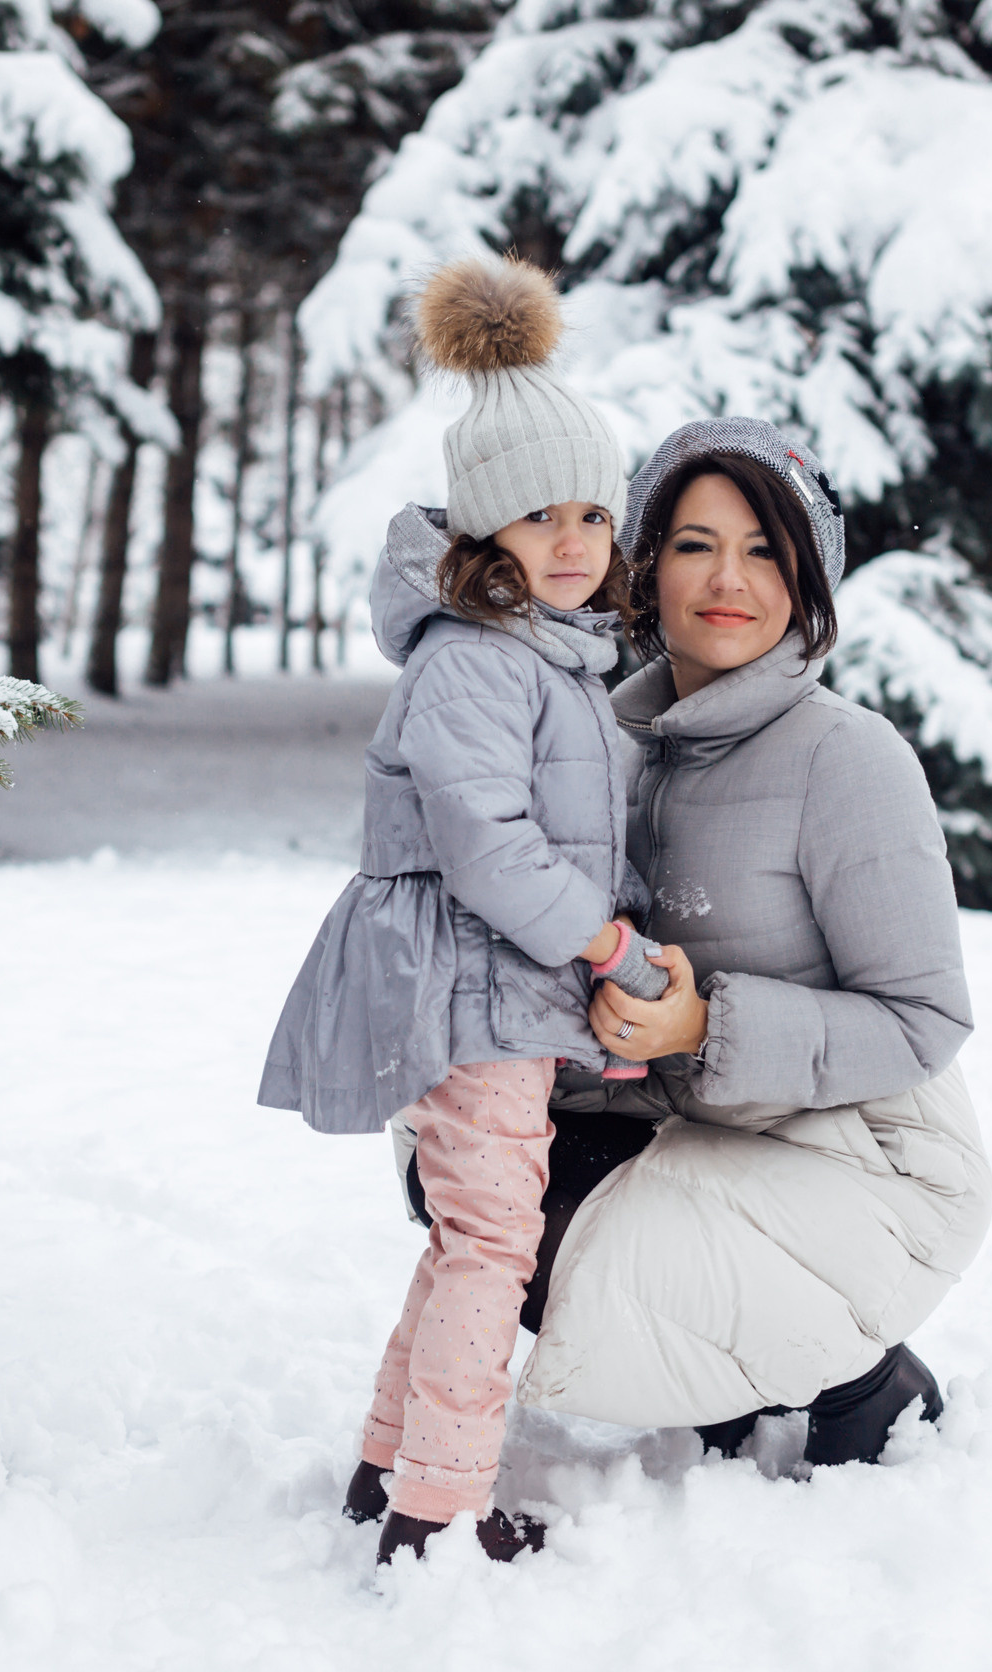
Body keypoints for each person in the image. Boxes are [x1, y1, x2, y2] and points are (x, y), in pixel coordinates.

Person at [395, 417, 992, 1469]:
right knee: (464, 1164)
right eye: (693, 544)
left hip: (863, 1152)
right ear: (645, 567)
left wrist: (701, 1023)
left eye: (766, 550)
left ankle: (861, 1388)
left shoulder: (847, 759)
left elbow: (925, 1021)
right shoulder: (598, 740)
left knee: (579, 1241)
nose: (730, 578)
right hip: (694, 1122)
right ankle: (730, 1367)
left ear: (808, 581)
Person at [256, 254, 646, 1564]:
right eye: (545, 518)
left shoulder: (542, 653)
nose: (579, 542)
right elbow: (490, 845)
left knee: (463, 1235)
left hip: (493, 985)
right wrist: (604, 942)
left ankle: (388, 1468)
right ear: (485, 533)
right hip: (463, 986)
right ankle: (438, 1510)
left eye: (597, 513)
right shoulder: (479, 660)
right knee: (492, 1241)